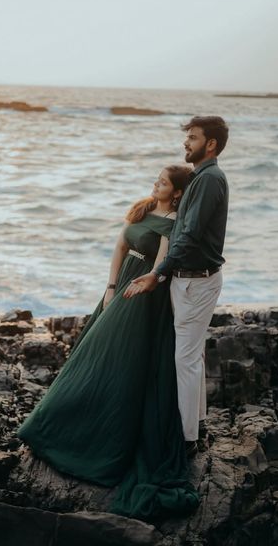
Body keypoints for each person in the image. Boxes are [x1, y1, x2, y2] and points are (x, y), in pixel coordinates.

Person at [16, 164, 200, 521]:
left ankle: (96, 439)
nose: (155, 183)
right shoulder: (143, 208)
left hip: (142, 296)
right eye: (157, 179)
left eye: (163, 182)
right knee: (91, 356)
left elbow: (158, 270)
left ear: (176, 192)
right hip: (120, 288)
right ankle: (56, 424)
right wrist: (110, 287)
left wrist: (131, 292)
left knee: (112, 360)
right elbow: (120, 244)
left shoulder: (172, 224)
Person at [124, 116, 229, 459]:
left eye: (193, 137)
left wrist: (158, 273)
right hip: (190, 280)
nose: (186, 143)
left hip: (196, 281)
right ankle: (196, 426)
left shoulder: (210, 179)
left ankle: (186, 441)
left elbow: (190, 234)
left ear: (210, 144)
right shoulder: (201, 178)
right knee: (192, 355)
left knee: (185, 359)